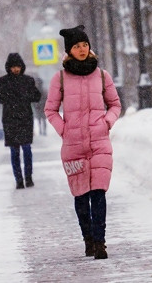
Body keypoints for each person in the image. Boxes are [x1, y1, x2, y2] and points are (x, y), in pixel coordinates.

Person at [44, 25, 121, 260]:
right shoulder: (60, 79)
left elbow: (115, 104)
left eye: (85, 45)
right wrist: (65, 130)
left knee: (98, 193)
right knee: (81, 196)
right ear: (69, 50)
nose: (82, 49)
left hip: (99, 142)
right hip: (73, 145)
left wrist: (106, 122)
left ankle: (100, 242)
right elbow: (50, 110)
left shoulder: (102, 75)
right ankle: (88, 238)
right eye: (77, 46)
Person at [0, 53, 41, 189]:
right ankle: (19, 180)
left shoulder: (28, 81)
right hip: (10, 120)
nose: (16, 69)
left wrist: (25, 96)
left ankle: (28, 177)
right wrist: (10, 97)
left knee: (26, 149)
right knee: (14, 151)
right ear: (9, 67)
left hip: (25, 119)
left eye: (18, 66)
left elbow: (37, 96)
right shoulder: (3, 82)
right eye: (13, 67)